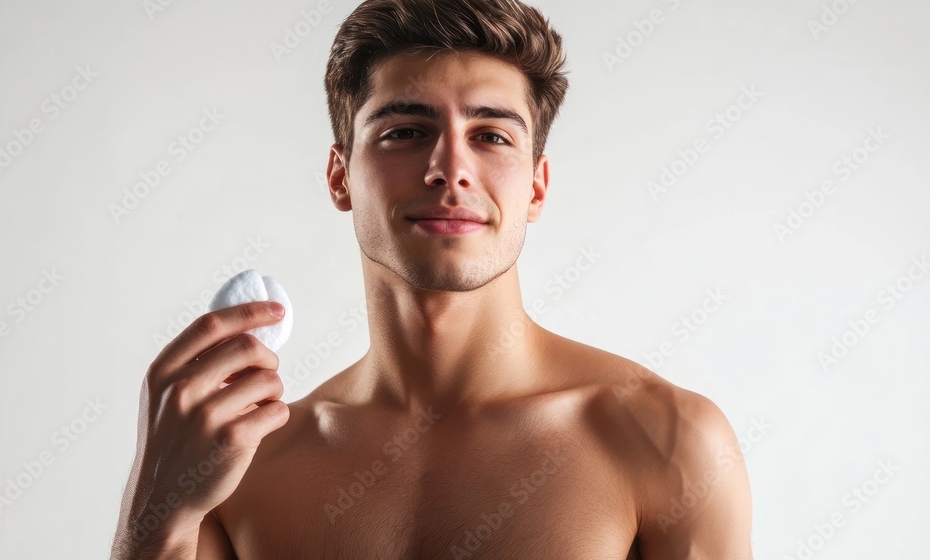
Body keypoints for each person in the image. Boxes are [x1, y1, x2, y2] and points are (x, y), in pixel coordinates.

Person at [112, 0, 754, 558]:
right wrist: (156, 516)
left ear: (536, 184)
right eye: (406, 132)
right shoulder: (247, 470)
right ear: (340, 176)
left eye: (492, 136)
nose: (450, 168)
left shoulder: (666, 442)